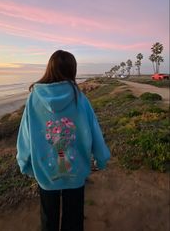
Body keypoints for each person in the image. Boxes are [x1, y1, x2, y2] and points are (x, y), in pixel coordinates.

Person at [16, 50, 110, 231]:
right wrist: (101, 157)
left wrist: (24, 162)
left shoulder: (34, 98)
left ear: (49, 69)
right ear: (72, 70)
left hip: (45, 171)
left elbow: (25, 134)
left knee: (48, 217)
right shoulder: (80, 98)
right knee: (74, 218)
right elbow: (94, 130)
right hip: (77, 170)